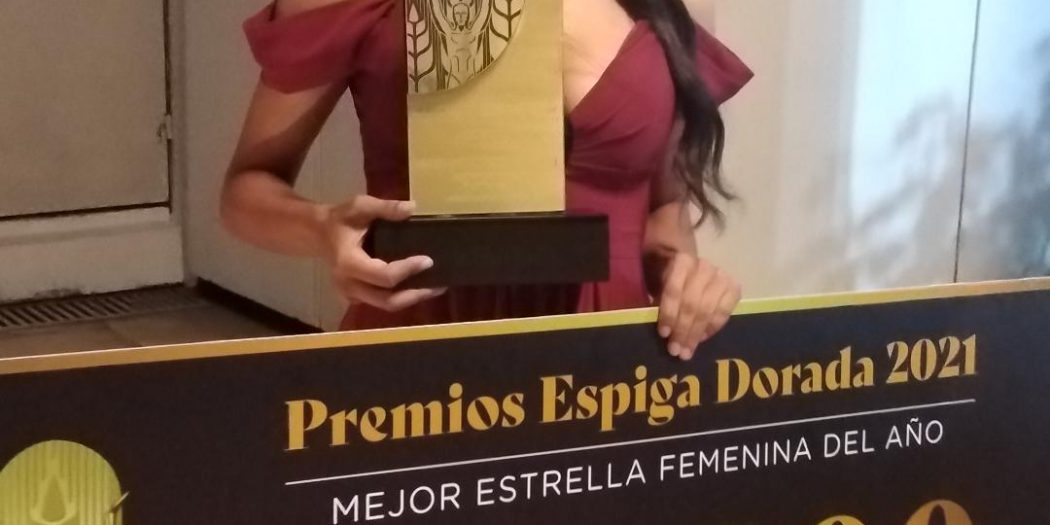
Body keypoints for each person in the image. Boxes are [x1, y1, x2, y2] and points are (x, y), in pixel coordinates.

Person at [225, 0, 753, 361]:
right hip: (423, 348)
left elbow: (662, 210)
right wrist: (322, 229)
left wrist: (685, 279)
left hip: (608, 365)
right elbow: (246, 188)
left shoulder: (654, 9)